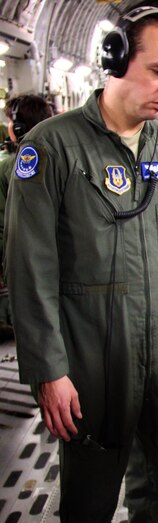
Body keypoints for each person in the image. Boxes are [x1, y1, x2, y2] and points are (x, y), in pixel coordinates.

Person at [5, 7, 158, 523]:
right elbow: (30, 267)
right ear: (115, 60)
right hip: (91, 354)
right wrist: (48, 371)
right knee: (90, 494)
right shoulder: (52, 149)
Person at [0, 94, 53, 339]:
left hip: (22, 283)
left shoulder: (8, 167)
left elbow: (4, 229)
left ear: (18, 128)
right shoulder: (66, 158)